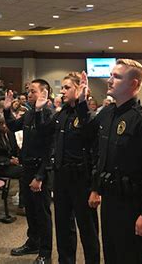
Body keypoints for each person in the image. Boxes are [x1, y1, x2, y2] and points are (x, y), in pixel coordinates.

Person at [86, 59, 142, 264]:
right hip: (109, 199)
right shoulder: (108, 113)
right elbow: (100, 155)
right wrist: (95, 188)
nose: (109, 80)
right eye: (111, 75)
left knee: (131, 257)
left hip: (132, 203)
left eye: (117, 77)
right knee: (111, 254)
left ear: (134, 84)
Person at [36, 72, 100, 264]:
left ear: (79, 90)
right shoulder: (62, 113)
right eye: (62, 87)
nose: (62, 91)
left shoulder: (87, 114)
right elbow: (43, 134)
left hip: (81, 178)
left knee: (87, 229)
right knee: (63, 226)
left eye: (67, 87)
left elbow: (90, 132)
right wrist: (39, 111)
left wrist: (81, 102)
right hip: (61, 177)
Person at [4, 79, 54, 264]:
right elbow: (12, 126)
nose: (28, 94)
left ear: (44, 93)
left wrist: (40, 176)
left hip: (40, 170)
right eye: (28, 91)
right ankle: (33, 242)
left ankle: (45, 253)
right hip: (27, 167)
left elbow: (50, 149)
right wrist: (7, 109)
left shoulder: (48, 115)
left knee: (42, 213)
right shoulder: (30, 113)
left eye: (33, 91)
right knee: (31, 210)